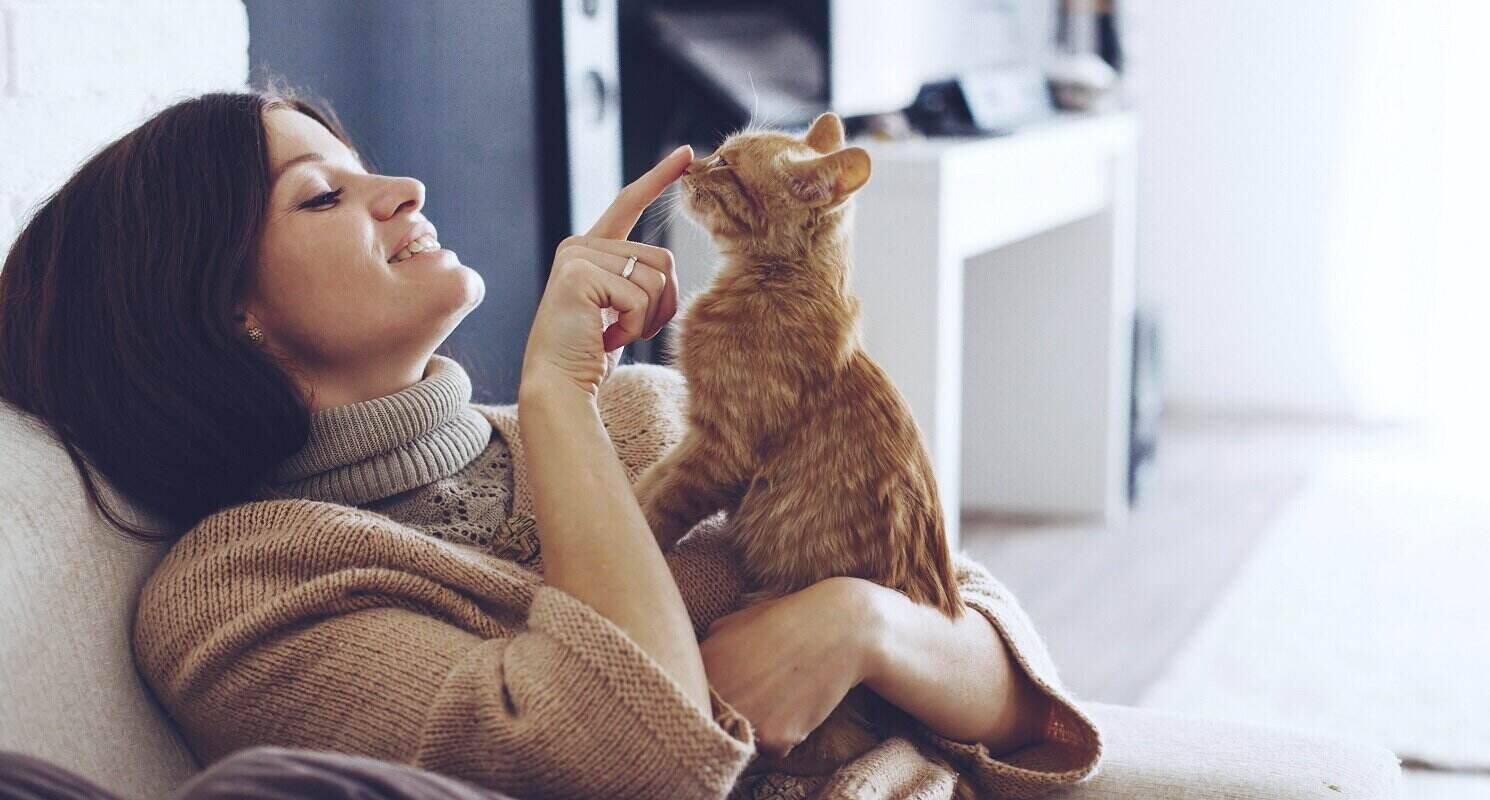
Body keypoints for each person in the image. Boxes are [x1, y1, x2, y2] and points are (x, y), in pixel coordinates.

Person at [0, 87, 1101, 799]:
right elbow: (637, 757)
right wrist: (558, 394)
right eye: (323, 194)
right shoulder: (241, 589)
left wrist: (856, 623)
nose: (404, 190)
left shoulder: (649, 419)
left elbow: (1010, 682)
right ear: (224, 307)